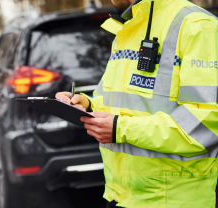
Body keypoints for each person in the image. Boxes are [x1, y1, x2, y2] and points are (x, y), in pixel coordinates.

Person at [56, 0, 218, 207]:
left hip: (172, 199)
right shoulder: (129, 25)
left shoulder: (198, 26)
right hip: (120, 194)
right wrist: (87, 105)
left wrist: (120, 129)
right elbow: (121, 101)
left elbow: (205, 123)